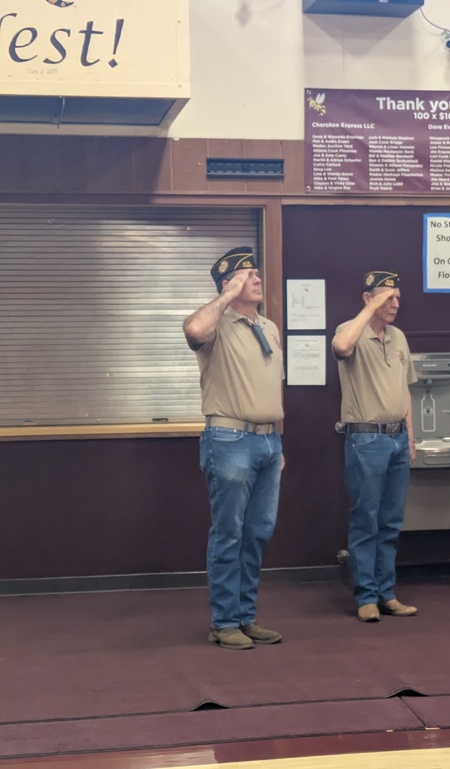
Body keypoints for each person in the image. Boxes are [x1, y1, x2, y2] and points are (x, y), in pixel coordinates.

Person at [182, 246, 284, 650]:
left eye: (257, 273)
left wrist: (279, 441)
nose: (257, 279)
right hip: (229, 441)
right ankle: (224, 622)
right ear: (230, 283)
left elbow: (273, 388)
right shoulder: (215, 326)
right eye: (248, 275)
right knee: (229, 534)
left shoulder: (271, 328)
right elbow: (191, 331)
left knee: (257, 533)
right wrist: (225, 295)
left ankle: (245, 617)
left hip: (267, 441)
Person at [332, 270, 418, 623]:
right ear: (368, 299)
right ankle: (365, 595)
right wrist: (368, 310)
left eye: (398, 297)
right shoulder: (348, 330)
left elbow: (406, 388)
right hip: (366, 438)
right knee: (365, 519)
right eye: (387, 298)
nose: (395, 304)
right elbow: (341, 348)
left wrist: (411, 436)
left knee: (391, 521)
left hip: (397, 438)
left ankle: (387, 593)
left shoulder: (398, 337)